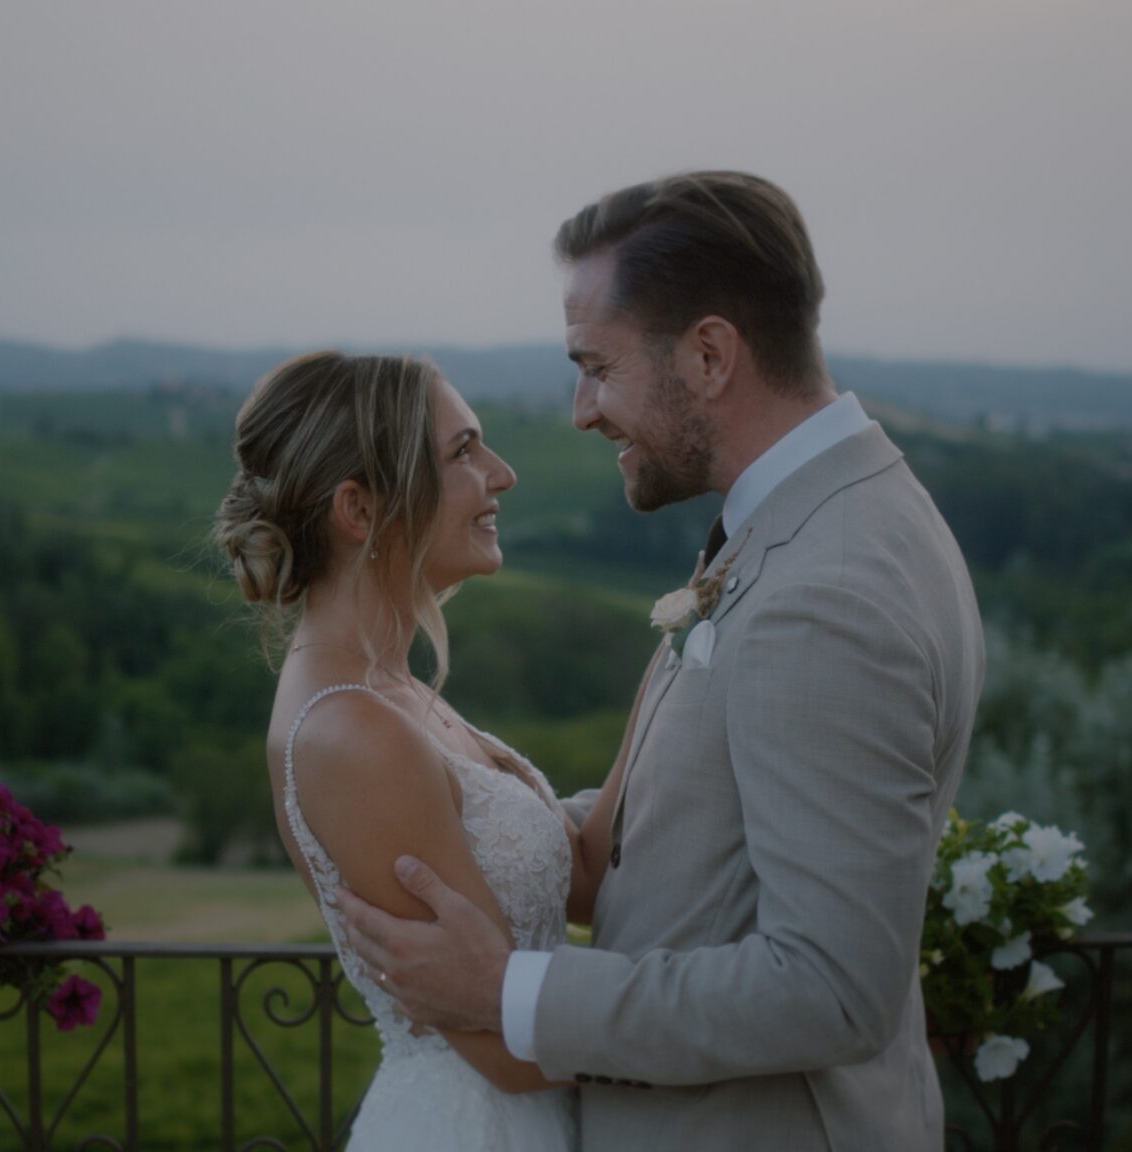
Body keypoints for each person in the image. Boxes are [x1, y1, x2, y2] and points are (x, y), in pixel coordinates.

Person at [335, 171, 986, 1149]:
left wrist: (509, 991)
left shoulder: (826, 591)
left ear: (710, 355)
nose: (579, 410)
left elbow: (829, 990)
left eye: (595, 366)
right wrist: (477, 814)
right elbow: (689, 839)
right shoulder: (805, 525)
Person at [213, 351, 582, 1150]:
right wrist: (729, 1033)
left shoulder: (391, 692)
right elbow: (506, 1049)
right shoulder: (352, 734)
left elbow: (583, 861)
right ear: (361, 509)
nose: (502, 473)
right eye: (462, 452)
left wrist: (682, 659)